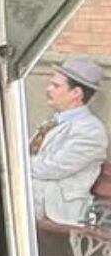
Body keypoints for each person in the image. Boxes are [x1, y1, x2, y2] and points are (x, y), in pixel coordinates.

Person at [30, 55, 107, 225]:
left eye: (56, 86)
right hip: (39, 193)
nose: (48, 89)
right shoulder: (53, 121)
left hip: (57, 206)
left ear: (76, 93)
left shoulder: (91, 131)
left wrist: (15, 165)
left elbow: (52, 168)